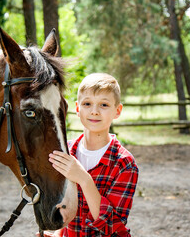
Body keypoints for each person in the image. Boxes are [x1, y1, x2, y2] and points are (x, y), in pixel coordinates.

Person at [46, 73, 139, 237]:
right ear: (77, 108)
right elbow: (62, 205)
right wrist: (56, 234)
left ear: (117, 111)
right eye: (87, 103)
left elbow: (111, 226)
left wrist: (84, 179)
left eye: (104, 105)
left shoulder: (124, 164)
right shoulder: (65, 153)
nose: (94, 111)